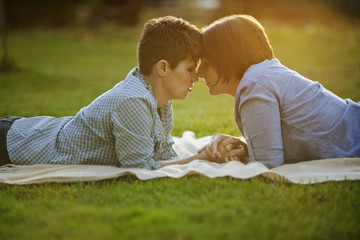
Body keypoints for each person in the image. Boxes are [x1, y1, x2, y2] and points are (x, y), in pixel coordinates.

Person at [0, 16, 246, 168]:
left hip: (25, 130)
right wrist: (201, 160)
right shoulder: (133, 101)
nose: (197, 76)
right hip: (12, 143)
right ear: (163, 68)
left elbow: (163, 154)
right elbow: (141, 168)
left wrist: (207, 153)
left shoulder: (159, 98)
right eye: (191, 68)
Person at [197, 14, 360, 168]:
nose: (199, 73)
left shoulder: (255, 85)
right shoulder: (265, 74)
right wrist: (243, 148)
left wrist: (213, 156)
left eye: (206, 64)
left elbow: (268, 163)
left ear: (228, 59)